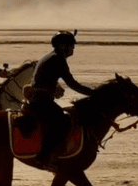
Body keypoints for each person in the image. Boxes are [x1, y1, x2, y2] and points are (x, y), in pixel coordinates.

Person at [28, 30, 93, 170]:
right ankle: (44, 157)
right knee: (64, 122)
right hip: (42, 100)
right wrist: (92, 93)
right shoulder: (58, 59)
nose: (73, 48)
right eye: (71, 45)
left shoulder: (51, 57)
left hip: (39, 98)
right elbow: (72, 83)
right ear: (64, 46)